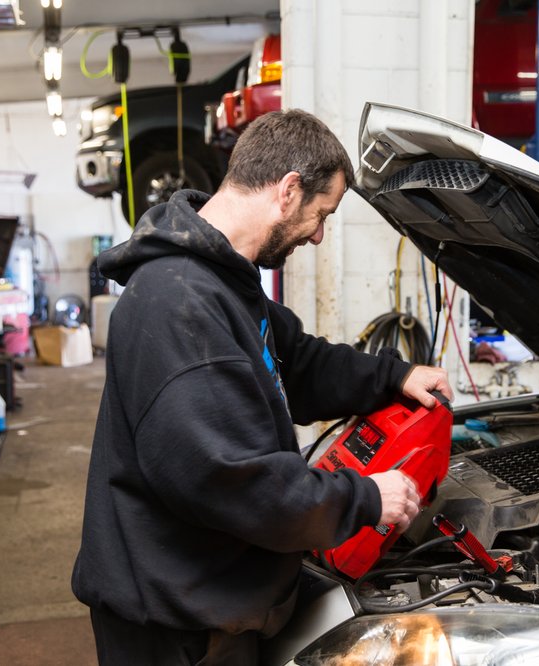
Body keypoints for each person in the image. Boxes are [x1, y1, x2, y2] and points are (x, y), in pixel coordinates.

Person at [71, 108, 453, 665]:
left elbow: (296, 362)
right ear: (288, 190)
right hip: (176, 627)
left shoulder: (221, 280)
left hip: (204, 594)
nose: (318, 235)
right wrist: (367, 497)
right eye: (321, 215)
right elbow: (236, 483)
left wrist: (395, 375)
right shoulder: (179, 303)